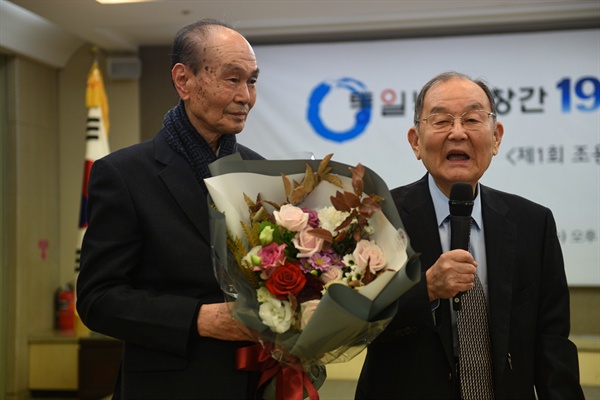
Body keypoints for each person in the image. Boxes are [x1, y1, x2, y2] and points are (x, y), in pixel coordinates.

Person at [355, 71, 584, 399]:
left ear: (496, 137)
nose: (458, 133)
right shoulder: (376, 218)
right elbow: (357, 326)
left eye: (473, 119)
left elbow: (553, 343)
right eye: (441, 120)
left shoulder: (533, 223)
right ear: (415, 141)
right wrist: (427, 290)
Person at [76, 19, 264, 399]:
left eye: (253, 81)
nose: (246, 96)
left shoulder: (258, 171)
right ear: (184, 80)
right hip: (169, 385)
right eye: (233, 79)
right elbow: (98, 300)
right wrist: (198, 319)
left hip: (255, 382)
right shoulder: (124, 174)